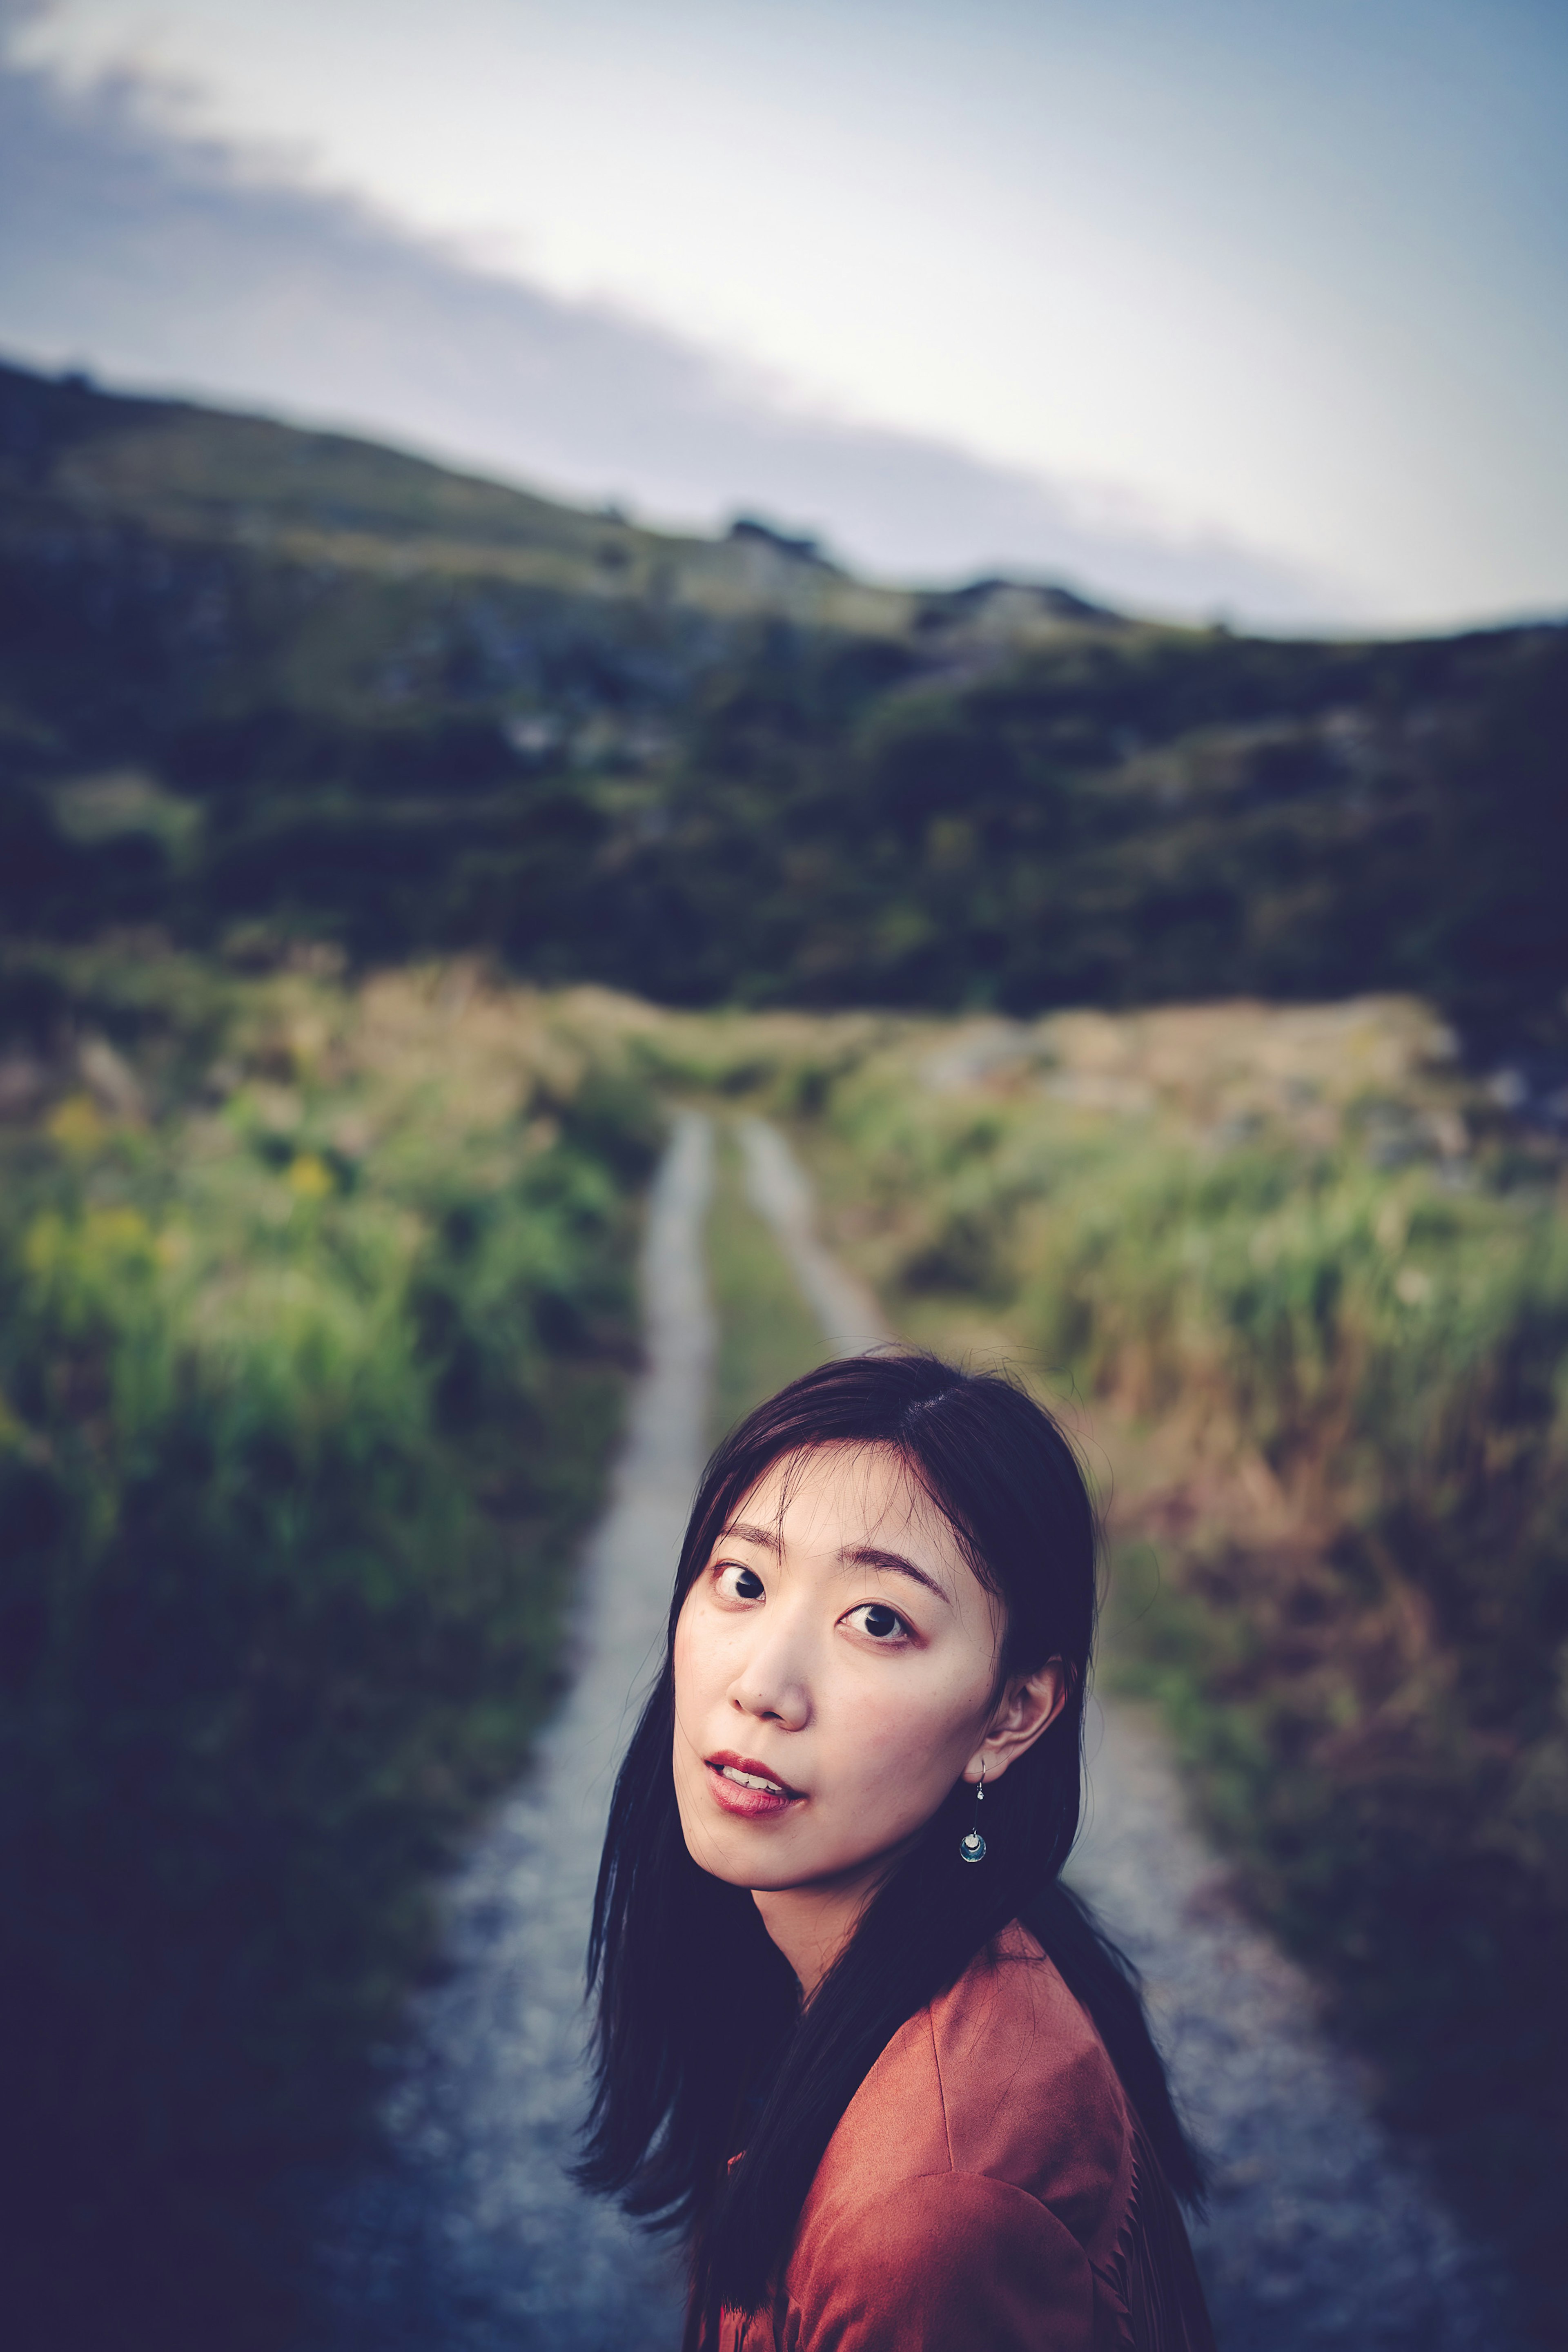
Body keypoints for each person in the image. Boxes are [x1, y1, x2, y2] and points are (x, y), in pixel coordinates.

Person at [578, 1351, 1214, 2351]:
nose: (764, 1687)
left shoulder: (923, 2229)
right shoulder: (939, 1950)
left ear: (1014, 1714)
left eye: (877, 1623)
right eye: (742, 1580)